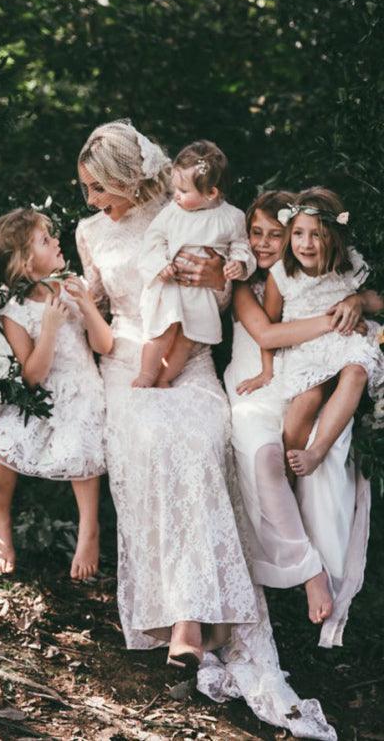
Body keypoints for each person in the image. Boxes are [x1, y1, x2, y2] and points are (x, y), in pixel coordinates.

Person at [76, 120, 335, 739]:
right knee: (152, 443)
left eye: (98, 188)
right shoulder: (87, 233)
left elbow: (229, 295)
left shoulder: (190, 208)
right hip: (126, 363)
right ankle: (182, 616)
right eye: (85, 189)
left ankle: (194, 619)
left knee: (196, 444)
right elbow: (90, 301)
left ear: (127, 179)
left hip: (190, 359)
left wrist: (216, 278)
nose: (90, 201)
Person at [225, 189, 379, 643]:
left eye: (278, 234)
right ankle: (303, 568)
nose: (268, 243)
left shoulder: (329, 267)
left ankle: (320, 568)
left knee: (313, 419)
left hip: (308, 366)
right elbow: (269, 334)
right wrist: (341, 312)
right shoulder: (249, 284)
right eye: (258, 233)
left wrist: (358, 302)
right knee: (269, 454)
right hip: (261, 380)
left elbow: (367, 298)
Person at [0, 207, 113, 580]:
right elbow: (32, 377)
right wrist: (50, 328)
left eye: (51, 236)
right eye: (44, 240)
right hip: (39, 398)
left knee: (82, 448)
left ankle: (89, 530)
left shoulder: (74, 286)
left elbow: (104, 344)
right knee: (0, 449)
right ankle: (0, 523)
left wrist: (85, 304)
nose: (56, 241)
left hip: (81, 390)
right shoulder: (15, 312)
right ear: (26, 264)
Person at [261, 187, 384, 478]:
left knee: (356, 372)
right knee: (308, 398)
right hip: (305, 348)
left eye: (317, 234)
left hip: (345, 342)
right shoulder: (281, 276)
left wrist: (358, 300)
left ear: (334, 236)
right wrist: (265, 370)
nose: (306, 243)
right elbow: (269, 329)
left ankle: (317, 450)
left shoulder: (350, 265)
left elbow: (379, 298)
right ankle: (285, 478)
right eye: (299, 233)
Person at [135, 140, 255, 387]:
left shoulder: (232, 218)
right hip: (171, 284)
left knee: (188, 339)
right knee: (165, 329)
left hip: (202, 294)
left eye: (183, 190)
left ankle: (165, 378)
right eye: (175, 188)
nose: (176, 195)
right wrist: (160, 266)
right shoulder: (172, 212)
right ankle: (147, 375)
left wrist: (240, 264)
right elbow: (153, 241)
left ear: (211, 193)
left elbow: (242, 246)